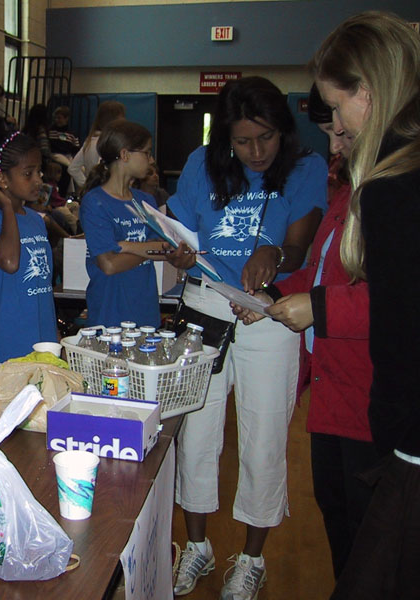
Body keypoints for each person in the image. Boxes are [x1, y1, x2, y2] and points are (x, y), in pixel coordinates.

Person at [166, 76, 327, 600]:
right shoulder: (199, 165)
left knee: (263, 436)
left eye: (266, 138)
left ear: (284, 130)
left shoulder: (306, 168)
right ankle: (197, 547)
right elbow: (181, 234)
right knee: (196, 433)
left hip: (268, 311)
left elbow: (300, 244)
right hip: (204, 305)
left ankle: (252, 559)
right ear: (225, 141)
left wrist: (275, 255)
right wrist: (179, 252)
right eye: (242, 141)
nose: (256, 152)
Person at [232, 84, 377, 581]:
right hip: (333, 396)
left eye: (340, 127)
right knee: (339, 519)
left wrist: (313, 306)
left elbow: (395, 301)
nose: (335, 146)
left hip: (369, 400)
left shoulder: (388, 195)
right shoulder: (346, 197)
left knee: (370, 538)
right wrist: (270, 298)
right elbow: (315, 270)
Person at [309, 11, 420, 598]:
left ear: (370, 95)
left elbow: (398, 320)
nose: (336, 124)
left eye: (338, 108)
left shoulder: (392, 187)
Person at [0, 132, 58, 361]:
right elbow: (9, 262)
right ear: (2, 179)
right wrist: (7, 207)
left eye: (39, 172)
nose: (38, 180)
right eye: (28, 174)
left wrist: (54, 337)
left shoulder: (36, 220)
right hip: (6, 342)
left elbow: (43, 286)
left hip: (41, 340)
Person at [80, 119, 168, 328]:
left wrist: (125, 246)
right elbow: (109, 265)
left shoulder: (146, 201)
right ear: (125, 155)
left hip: (145, 312)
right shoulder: (95, 202)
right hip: (110, 315)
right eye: (146, 153)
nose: (151, 159)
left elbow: (165, 249)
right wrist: (148, 249)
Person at [68, 100, 125, 190]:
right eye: (122, 118)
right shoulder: (106, 143)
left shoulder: (89, 142)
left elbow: (73, 168)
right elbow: (73, 169)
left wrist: (87, 186)